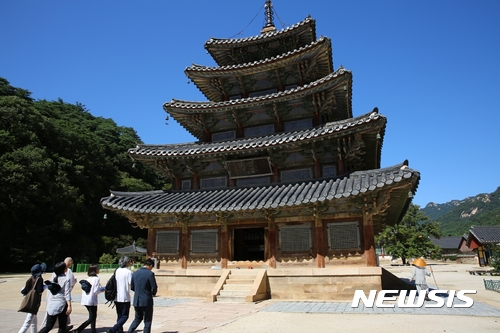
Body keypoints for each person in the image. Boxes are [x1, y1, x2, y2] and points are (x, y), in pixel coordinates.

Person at [39, 261, 72, 333]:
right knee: (62, 325)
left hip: (51, 304)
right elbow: (67, 293)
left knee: (48, 326)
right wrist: (69, 305)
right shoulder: (66, 279)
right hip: (62, 304)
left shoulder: (53, 278)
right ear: (63, 269)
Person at [126, 258, 157, 333]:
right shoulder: (150, 274)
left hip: (137, 300)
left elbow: (132, 286)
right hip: (146, 300)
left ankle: (129, 331)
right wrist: (152, 294)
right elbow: (154, 287)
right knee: (147, 320)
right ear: (150, 266)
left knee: (137, 318)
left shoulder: (135, 273)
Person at [72, 264, 104, 333]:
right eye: (98, 268)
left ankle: (93, 330)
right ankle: (78, 330)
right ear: (95, 270)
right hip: (91, 300)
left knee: (93, 315)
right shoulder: (96, 279)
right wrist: (102, 289)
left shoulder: (88, 279)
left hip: (85, 300)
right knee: (92, 317)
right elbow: (96, 291)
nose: (99, 270)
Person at [18, 263, 46, 333]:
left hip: (29, 302)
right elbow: (40, 291)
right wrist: (46, 286)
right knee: (27, 323)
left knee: (34, 322)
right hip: (33, 303)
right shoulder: (39, 279)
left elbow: (24, 291)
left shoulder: (30, 279)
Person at [107, 256, 133, 333]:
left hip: (116, 296)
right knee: (125, 316)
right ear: (127, 263)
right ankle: (114, 329)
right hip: (125, 296)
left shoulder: (117, 271)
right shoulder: (128, 272)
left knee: (119, 315)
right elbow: (131, 284)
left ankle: (119, 330)